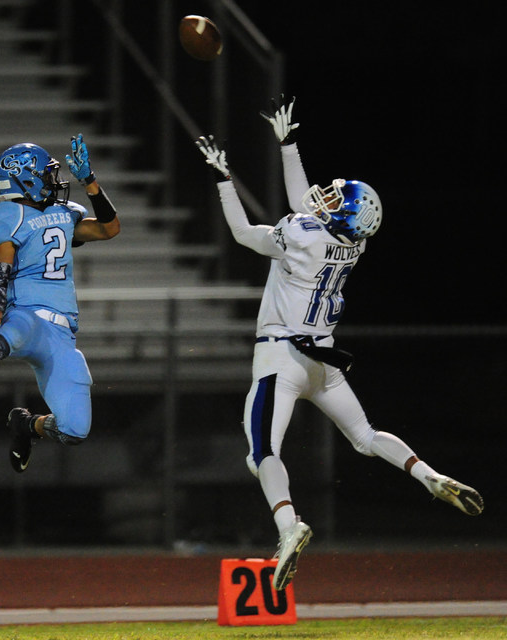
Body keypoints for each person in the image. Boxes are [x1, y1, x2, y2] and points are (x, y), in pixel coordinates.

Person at [195, 96, 484, 592]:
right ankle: (428, 475)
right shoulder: (354, 243)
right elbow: (307, 204)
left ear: (342, 216)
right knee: (366, 436)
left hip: (280, 357)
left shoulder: (302, 235)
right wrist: (287, 145)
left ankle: (288, 527)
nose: (323, 197)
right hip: (323, 362)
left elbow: (246, 232)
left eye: (334, 198)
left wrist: (225, 179)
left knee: (261, 452)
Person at [0, 133, 120, 474]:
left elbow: (109, 229)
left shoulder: (63, 213)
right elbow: (0, 265)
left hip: (62, 336)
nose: (54, 180)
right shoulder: (7, 216)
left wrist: (91, 183)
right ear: (25, 178)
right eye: (46, 174)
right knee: (11, 336)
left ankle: (26, 425)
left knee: (74, 431)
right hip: (27, 315)